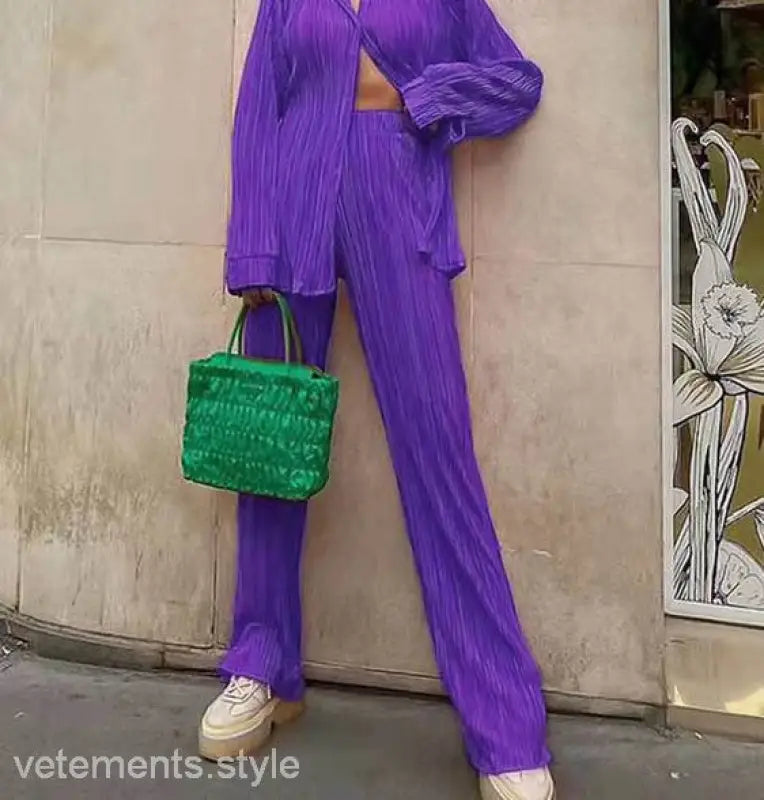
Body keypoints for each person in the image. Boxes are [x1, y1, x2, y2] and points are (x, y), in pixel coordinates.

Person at [199, 1, 552, 798]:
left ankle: (503, 720)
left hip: (399, 206)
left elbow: (517, 83)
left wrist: (431, 97)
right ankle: (262, 666)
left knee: (440, 456)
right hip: (293, 215)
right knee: (271, 445)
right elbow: (259, 105)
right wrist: (250, 242)